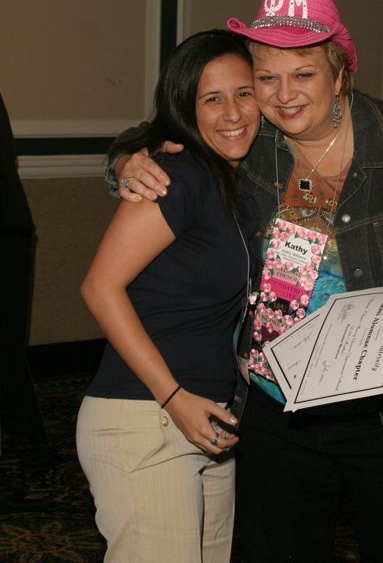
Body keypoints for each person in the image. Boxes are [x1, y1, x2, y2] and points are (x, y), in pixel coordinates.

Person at [108, 0, 383, 563]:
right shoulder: (247, 147)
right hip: (274, 408)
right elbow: (160, 133)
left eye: (304, 75)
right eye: (265, 78)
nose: (283, 96)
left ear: (340, 71)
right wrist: (126, 157)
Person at [76, 30, 260, 563]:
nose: (232, 113)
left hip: (208, 421)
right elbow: (99, 286)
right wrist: (173, 398)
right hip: (146, 419)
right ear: (186, 108)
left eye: (244, 93)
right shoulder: (176, 175)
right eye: (211, 98)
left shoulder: (236, 184)